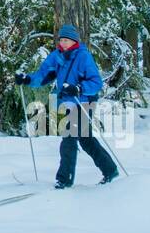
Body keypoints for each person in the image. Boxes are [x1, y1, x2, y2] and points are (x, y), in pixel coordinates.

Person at [13, 23, 119, 188]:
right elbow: (43, 75)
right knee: (86, 140)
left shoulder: (83, 56)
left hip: (85, 102)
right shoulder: (57, 56)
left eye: (66, 40)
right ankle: (110, 171)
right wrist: (27, 79)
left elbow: (96, 82)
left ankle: (64, 180)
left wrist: (78, 88)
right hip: (70, 104)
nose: (63, 43)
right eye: (61, 40)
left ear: (74, 41)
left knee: (69, 138)